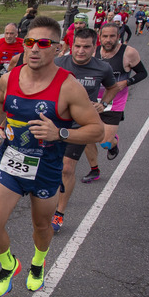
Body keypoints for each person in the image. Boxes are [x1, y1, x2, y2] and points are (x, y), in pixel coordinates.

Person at [0, 16, 104, 296]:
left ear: (58, 48)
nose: (34, 48)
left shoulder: (68, 86)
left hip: (45, 169)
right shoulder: (9, 77)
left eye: (43, 43)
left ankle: (38, 262)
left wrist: (59, 134)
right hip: (10, 162)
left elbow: (96, 130)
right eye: (29, 42)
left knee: (41, 225)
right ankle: (8, 264)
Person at [50, 27, 123, 233]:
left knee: (67, 168)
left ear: (95, 47)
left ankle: (59, 214)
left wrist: (103, 104)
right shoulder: (57, 63)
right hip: (54, 123)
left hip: (79, 126)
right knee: (49, 166)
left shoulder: (103, 68)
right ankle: (49, 196)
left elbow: (112, 87)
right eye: (77, 46)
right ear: (71, 45)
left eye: (86, 47)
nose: (80, 51)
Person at [79, 21, 141, 184]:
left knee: (105, 142)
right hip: (92, 100)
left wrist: (126, 82)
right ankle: (94, 170)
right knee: (87, 137)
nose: (108, 40)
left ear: (118, 36)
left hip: (115, 101)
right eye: (105, 36)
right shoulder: (93, 52)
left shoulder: (129, 53)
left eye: (112, 36)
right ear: (99, 37)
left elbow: (142, 73)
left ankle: (112, 142)